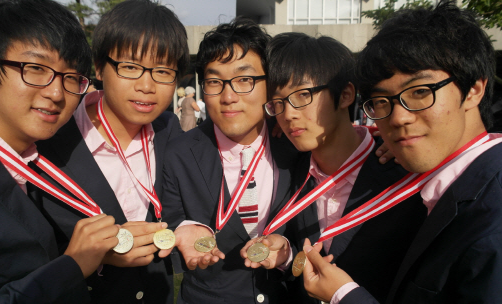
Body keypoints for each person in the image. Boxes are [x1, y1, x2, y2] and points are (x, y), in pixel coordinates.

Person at [302, 2, 502, 303]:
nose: (398, 118)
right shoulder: (440, 183)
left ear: (473, 89)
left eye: (420, 92)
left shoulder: (491, 225)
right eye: (382, 101)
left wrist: (344, 296)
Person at [0, 0, 120, 303]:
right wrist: (71, 267)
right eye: (35, 69)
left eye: (72, 77)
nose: (56, 92)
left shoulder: (37, 153)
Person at [34, 0, 188, 303]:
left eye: (162, 71)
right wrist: (99, 257)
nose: (147, 85)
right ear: (99, 67)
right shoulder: (49, 143)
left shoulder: (169, 130)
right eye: (130, 67)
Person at [258, 32, 426, 304]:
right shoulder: (293, 170)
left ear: (346, 94)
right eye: (279, 103)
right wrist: (288, 256)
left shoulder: (402, 173)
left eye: (302, 95)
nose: (288, 114)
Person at [159, 18, 299, 303]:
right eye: (214, 82)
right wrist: (183, 230)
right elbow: (169, 222)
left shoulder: (296, 147)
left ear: (269, 85)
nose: (228, 96)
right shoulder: (179, 154)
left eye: (244, 80)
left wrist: (288, 253)